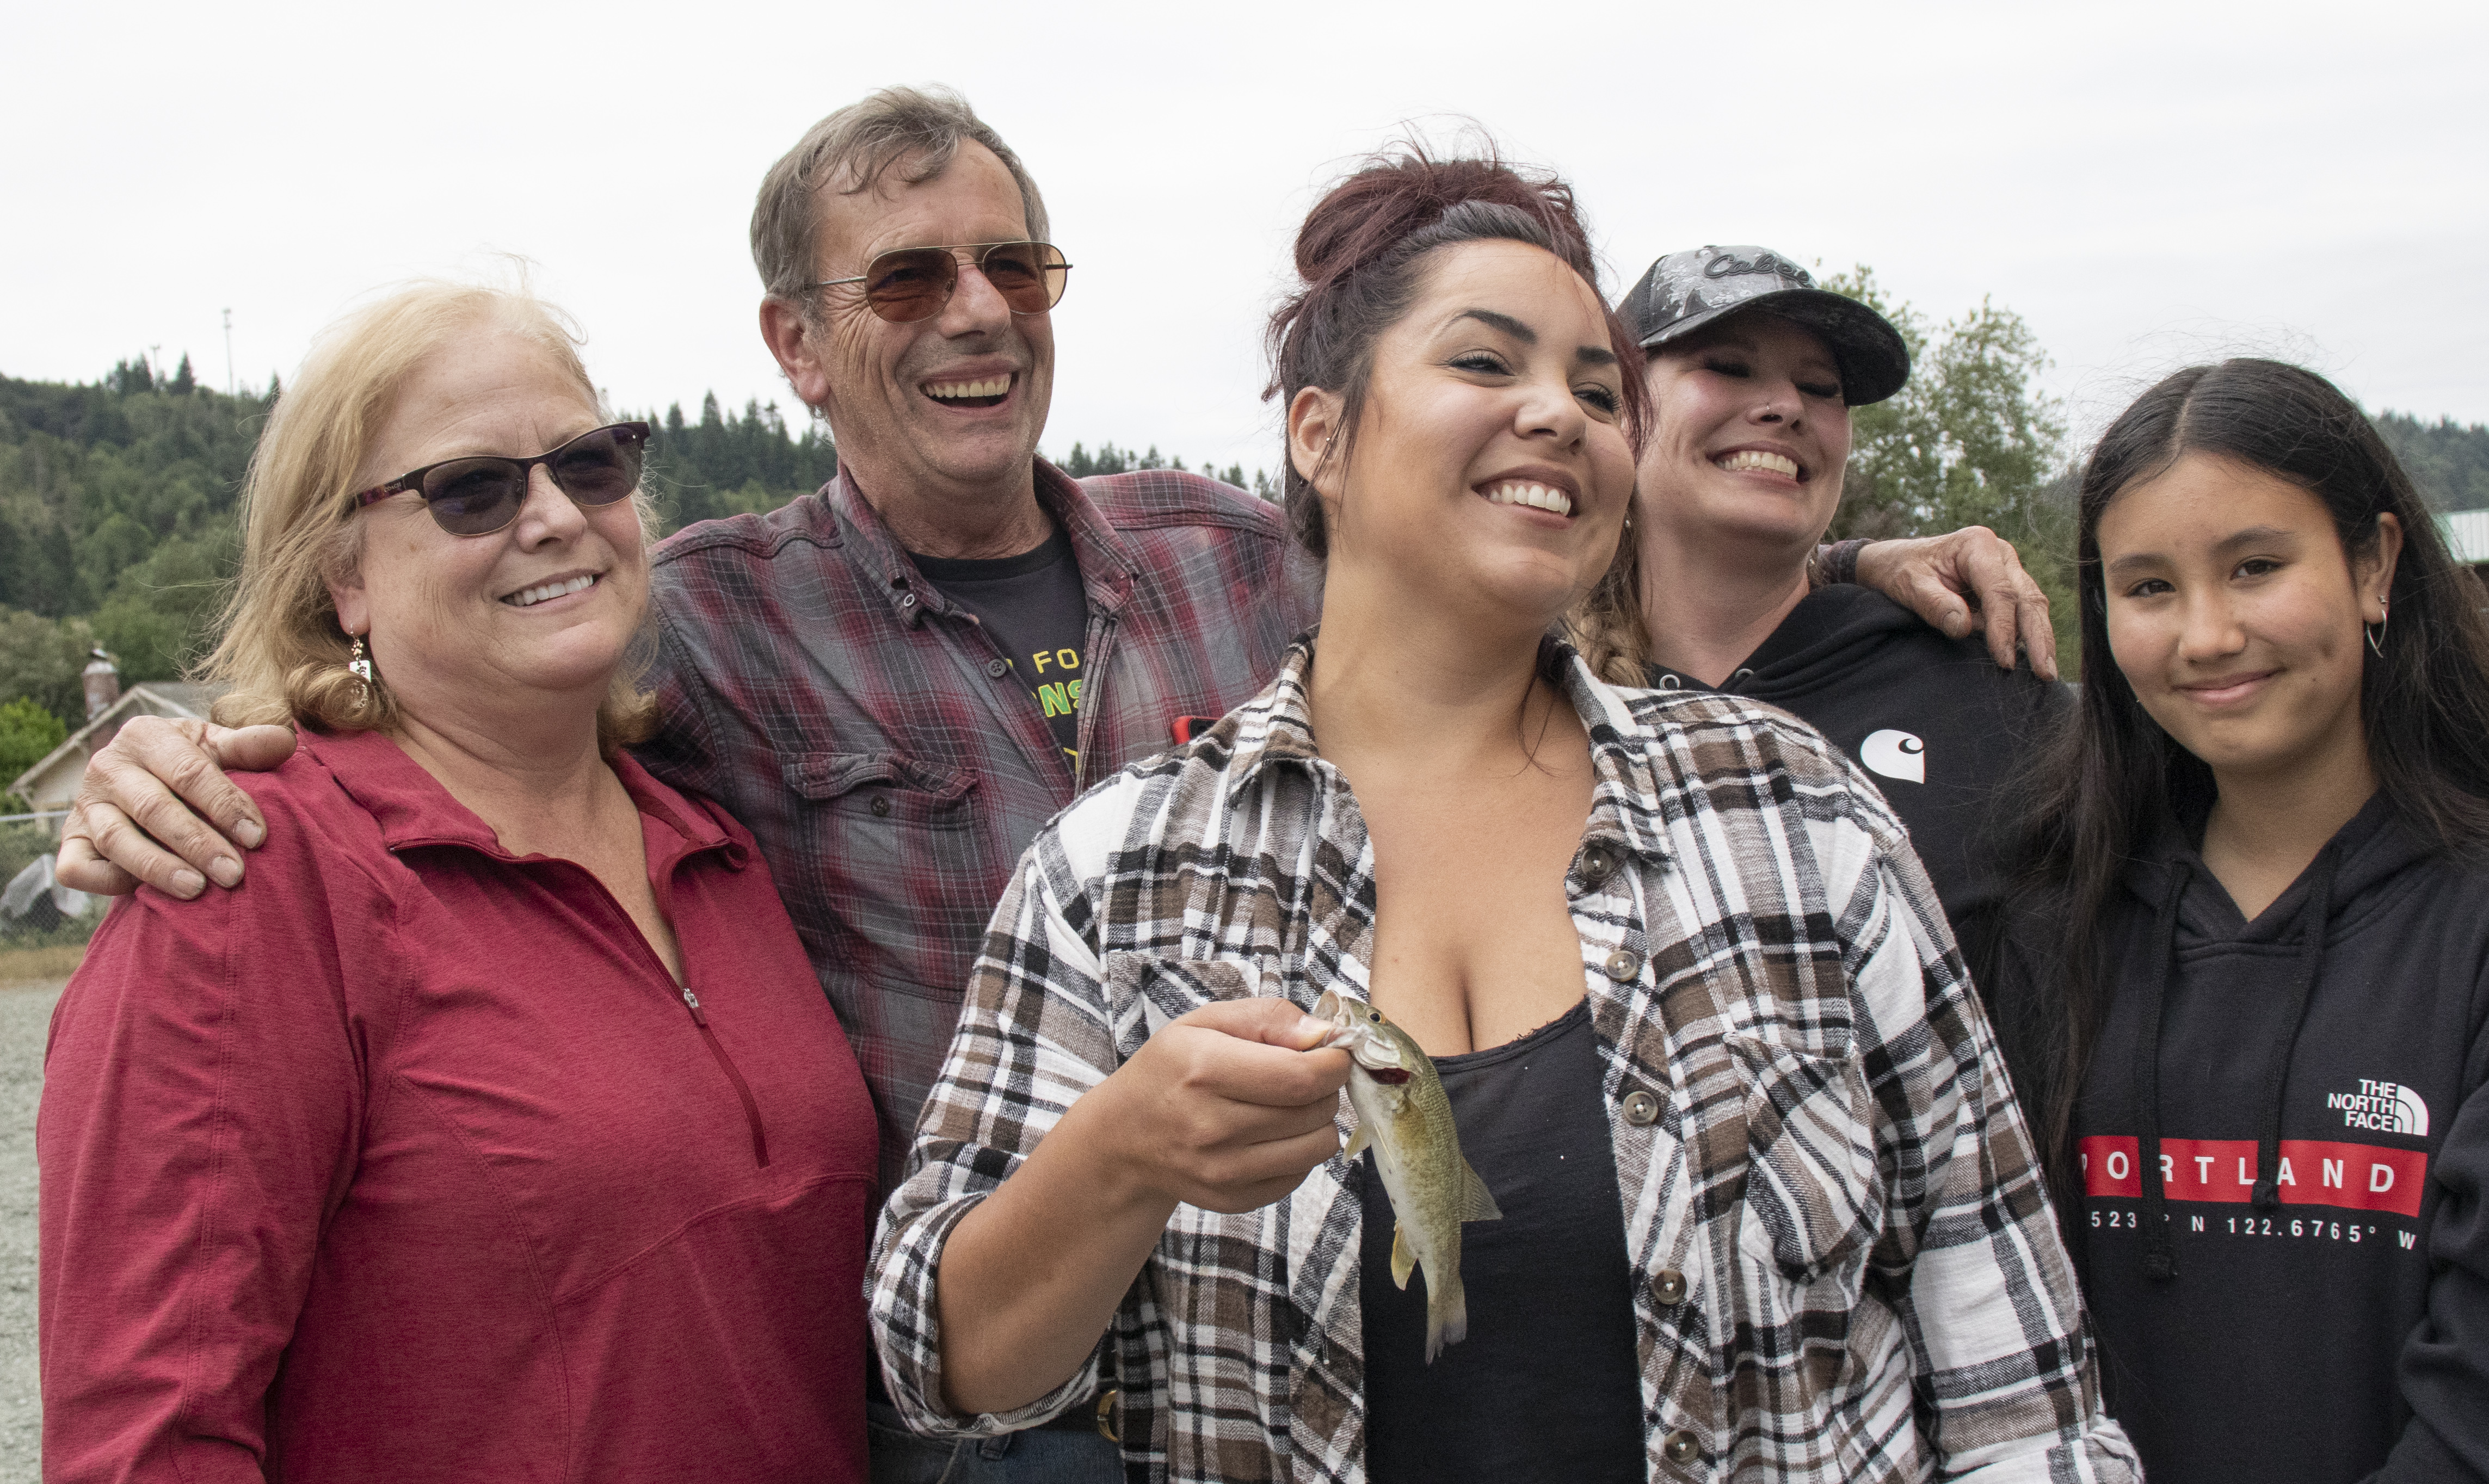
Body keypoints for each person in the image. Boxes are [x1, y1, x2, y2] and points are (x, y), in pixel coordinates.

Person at [49, 86, 2056, 1481]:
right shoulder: (719, 626)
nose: (978, 308)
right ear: (799, 344)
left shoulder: (1225, 552)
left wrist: (1840, 576)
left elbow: (1486, 536)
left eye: (1014, 259)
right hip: (989, 1424)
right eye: (907, 279)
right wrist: (175, 736)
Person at [866, 145, 2137, 1484]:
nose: (1561, 415)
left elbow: (2018, 1373)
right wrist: (1118, 1156)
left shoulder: (1795, 810)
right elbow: (949, 1373)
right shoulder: (1118, 871)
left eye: (1599, 391)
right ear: (1321, 433)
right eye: (1485, 364)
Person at [35, 282, 878, 1481]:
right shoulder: (247, 877)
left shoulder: (721, 847)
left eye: (588, 465)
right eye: (471, 489)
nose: (551, 517)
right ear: (345, 577)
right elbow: (147, 1432)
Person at [1987, 358, 2489, 1482]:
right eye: (2148, 587)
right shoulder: (2058, 928)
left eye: (2257, 566)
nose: (2207, 633)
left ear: (2375, 564)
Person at [1574, 246, 2066, 969]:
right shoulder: (1524, 697)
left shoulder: (1985, 688)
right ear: (1620, 409)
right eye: (1729, 368)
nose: (1787, 408)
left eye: (1821, 387)